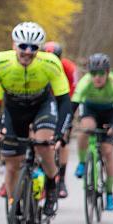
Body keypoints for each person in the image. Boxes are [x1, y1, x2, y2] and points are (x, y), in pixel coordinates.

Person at [0, 22, 71, 218]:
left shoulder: (50, 63)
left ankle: (52, 184)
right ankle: (14, 205)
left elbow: (64, 100)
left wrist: (60, 132)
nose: (27, 51)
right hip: (13, 110)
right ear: (13, 45)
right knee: (11, 163)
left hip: (41, 107)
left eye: (33, 47)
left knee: (44, 144)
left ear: (39, 49)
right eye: (23, 46)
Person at [71, 53, 113, 211]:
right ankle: (83, 162)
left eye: (101, 74)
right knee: (86, 129)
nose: (97, 78)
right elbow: (74, 105)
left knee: (107, 151)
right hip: (91, 109)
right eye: (93, 74)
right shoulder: (85, 82)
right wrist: (66, 125)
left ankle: (109, 193)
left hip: (110, 113)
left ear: (107, 72)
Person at [42, 41, 77, 198]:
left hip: (63, 100)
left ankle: (61, 179)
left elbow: (75, 92)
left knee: (62, 139)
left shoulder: (68, 67)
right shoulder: (38, 65)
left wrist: (69, 114)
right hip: (44, 102)